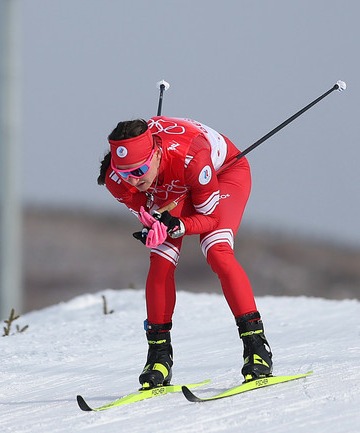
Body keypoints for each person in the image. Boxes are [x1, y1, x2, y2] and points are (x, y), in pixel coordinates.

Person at [97, 116, 273, 389]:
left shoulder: (192, 158)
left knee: (217, 251)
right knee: (160, 261)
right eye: (126, 173)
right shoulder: (117, 180)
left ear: (155, 155)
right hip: (172, 184)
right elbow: (147, 205)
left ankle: (257, 349)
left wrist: (179, 225)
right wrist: (155, 224)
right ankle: (158, 358)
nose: (134, 179)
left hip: (222, 173)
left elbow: (210, 219)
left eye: (140, 169)